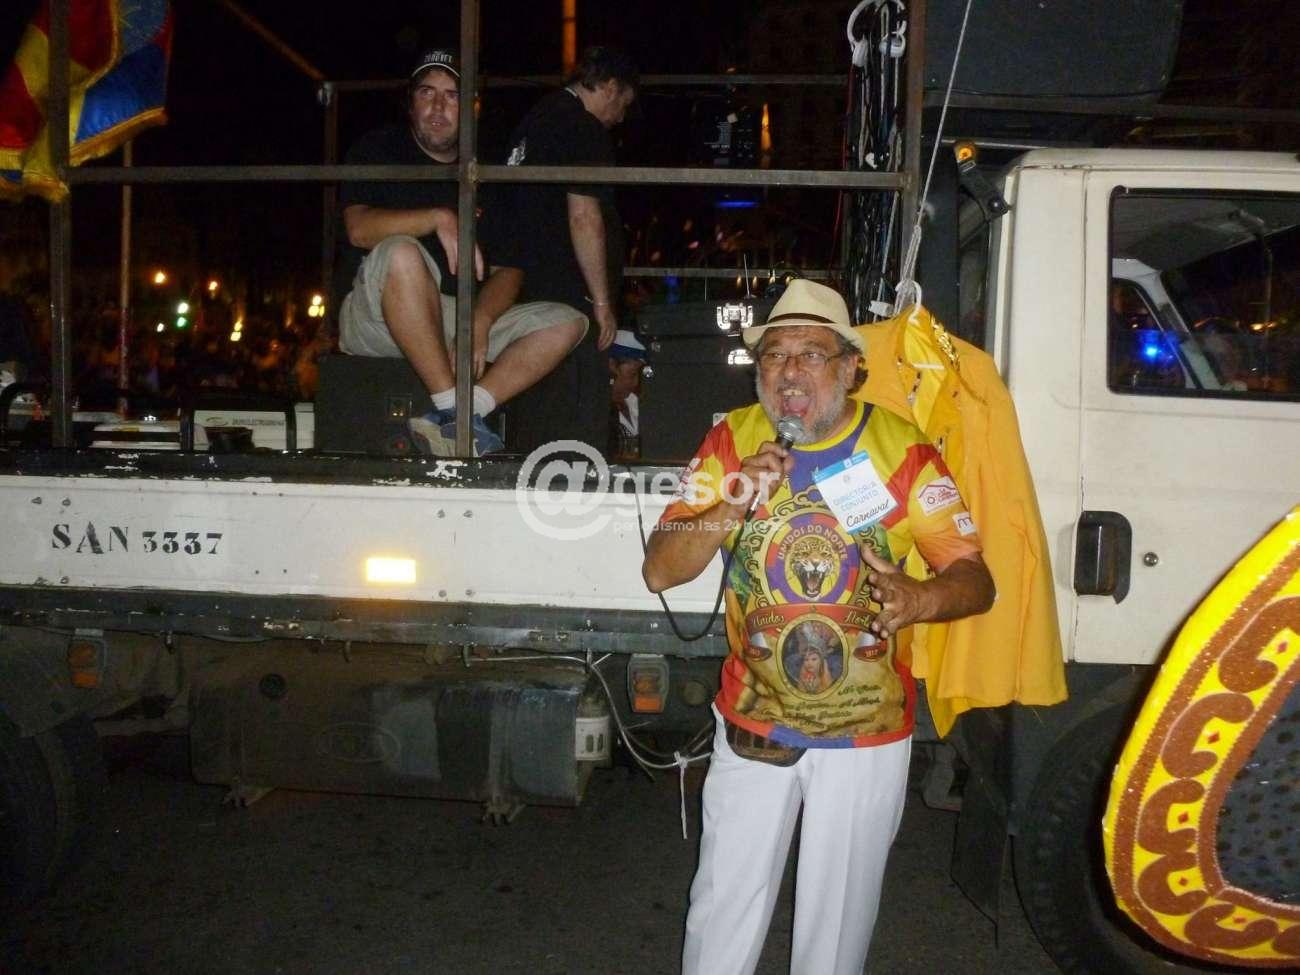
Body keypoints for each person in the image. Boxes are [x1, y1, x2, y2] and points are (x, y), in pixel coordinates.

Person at [641, 279, 996, 975]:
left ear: (850, 368)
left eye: (811, 354)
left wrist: (920, 598)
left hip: (865, 735)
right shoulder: (733, 438)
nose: (789, 373)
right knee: (720, 913)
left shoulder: (900, 448)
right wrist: (735, 499)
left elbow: (974, 578)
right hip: (755, 726)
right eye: (774, 355)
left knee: (835, 934)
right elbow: (661, 569)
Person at [334, 49, 587, 456]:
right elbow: (358, 229)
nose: (438, 106)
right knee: (402, 253)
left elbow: (509, 270)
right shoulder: (379, 148)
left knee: (569, 321)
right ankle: (454, 409)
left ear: (471, 108)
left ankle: (466, 414)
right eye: (427, 92)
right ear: (411, 102)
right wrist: (437, 218)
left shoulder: (486, 172)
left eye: (452, 95)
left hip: (452, 318)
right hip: (378, 314)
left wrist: (479, 321)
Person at [493, 46, 638, 454]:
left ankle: (532, 472)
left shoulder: (535, 119)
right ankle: (572, 482)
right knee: (573, 407)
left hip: (526, 284)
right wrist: (602, 301)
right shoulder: (582, 127)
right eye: (624, 104)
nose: (621, 117)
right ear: (610, 88)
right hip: (567, 289)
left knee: (536, 403)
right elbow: (584, 217)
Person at [607, 328, 645, 460]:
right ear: (611, 366)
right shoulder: (592, 410)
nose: (636, 382)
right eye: (632, 374)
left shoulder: (637, 402)